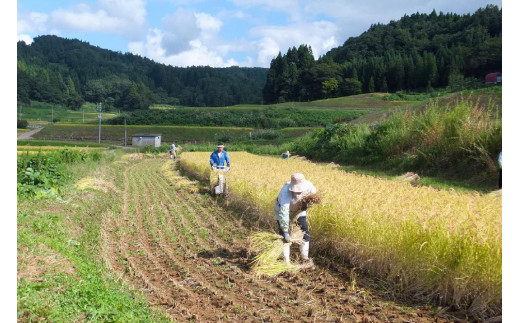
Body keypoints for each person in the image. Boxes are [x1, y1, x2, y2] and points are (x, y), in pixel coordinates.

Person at [274, 173, 317, 264]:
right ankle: (286, 261)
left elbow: (314, 196)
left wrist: (307, 204)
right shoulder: (285, 192)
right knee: (284, 236)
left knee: (305, 231)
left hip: (298, 211)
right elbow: (284, 212)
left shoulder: (309, 186)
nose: (298, 192)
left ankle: (304, 257)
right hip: (282, 211)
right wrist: (285, 231)